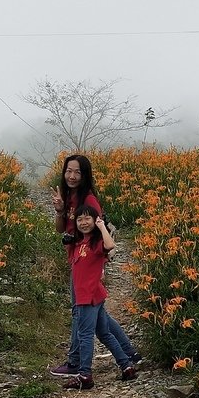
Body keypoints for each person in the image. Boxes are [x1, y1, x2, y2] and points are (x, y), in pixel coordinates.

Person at [49, 154, 142, 378]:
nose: (72, 176)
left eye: (77, 172)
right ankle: (130, 355)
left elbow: (101, 236)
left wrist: (100, 267)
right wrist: (60, 210)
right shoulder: (70, 197)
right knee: (100, 317)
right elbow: (61, 230)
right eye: (68, 171)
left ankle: (77, 363)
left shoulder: (88, 200)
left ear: (85, 175)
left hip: (88, 263)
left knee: (80, 315)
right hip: (77, 259)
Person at [60, 205, 137, 390]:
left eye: (88, 219)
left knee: (85, 335)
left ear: (95, 220)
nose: (83, 223)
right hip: (92, 295)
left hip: (88, 297)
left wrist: (102, 226)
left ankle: (85, 374)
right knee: (104, 333)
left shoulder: (96, 243)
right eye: (80, 220)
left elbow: (110, 246)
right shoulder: (79, 243)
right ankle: (126, 365)